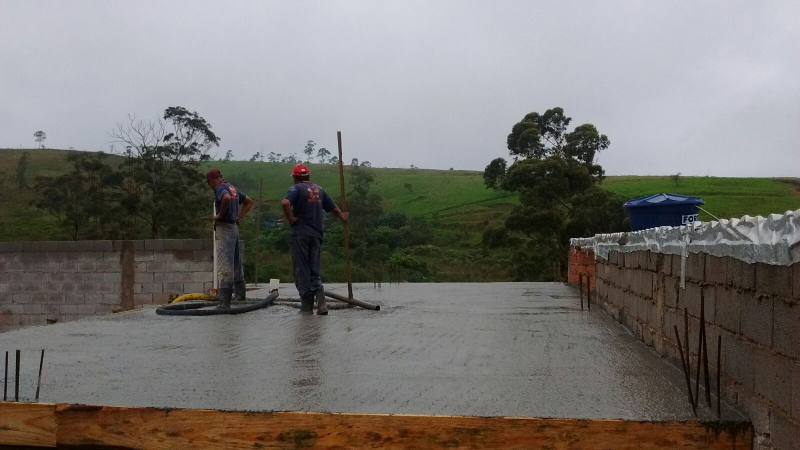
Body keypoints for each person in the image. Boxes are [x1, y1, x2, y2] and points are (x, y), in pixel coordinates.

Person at [281, 164, 349, 314]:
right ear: (308, 176)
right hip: (317, 235)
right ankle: (321, 300)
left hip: (301, 235)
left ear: (295, 177)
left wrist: (291, 219)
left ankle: (307, 307)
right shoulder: (319, 190)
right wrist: (342, 217)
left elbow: (285, 203)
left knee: (301, 270)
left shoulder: (296, 189)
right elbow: (334, 208)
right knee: (314, 269)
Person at [206, 168, 255, 308]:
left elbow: (226, 198)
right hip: (234, 227)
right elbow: (249, 202)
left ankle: (224, 303)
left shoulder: (221, 188)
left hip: (225, 227)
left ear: (212, 180)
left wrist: (220, 215)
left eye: (209, 183)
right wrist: (239, 217)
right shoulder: (232, 187)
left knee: (225, 265)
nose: (210, 186)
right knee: (236, 263)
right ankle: (240, 298)